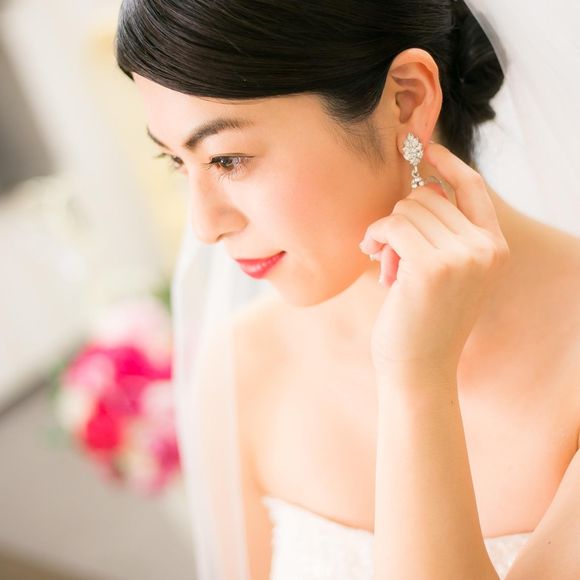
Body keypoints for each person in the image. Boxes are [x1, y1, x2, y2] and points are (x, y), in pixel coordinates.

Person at [115, 1, 580, 578]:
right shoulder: (245, 364)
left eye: (227, 159)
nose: (205, 227)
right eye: (176, 163)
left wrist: (417, 380)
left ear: (406, 99)